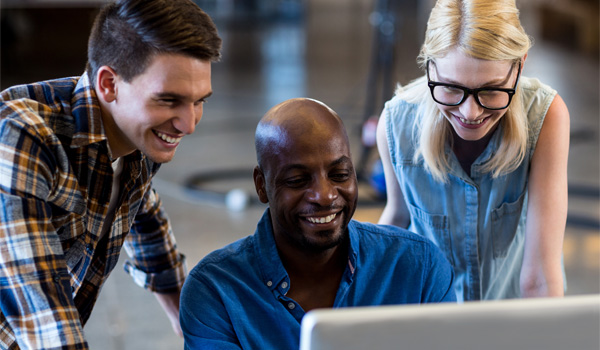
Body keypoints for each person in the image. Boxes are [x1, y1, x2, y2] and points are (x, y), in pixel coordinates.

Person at [0, 0, 221, 348]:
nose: (188, 124)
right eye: (169, 100)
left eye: (199, 101)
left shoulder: (136, 133)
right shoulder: (22, 138)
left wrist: (194, 326)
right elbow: (42, 314)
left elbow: (142, 209)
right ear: (109, 84)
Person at [179, 98, 456, 350]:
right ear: (261, 186)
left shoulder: (419, 267)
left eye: (339, 174)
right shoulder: (215, 292)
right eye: (298, 180)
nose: (324, 196)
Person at [376, 0, 570, 301]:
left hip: (511, 321)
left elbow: (539, 278)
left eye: (491, 90)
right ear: (430, 67)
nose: (470, 112)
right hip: (429, 320)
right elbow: (398, 216)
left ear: (520, 65)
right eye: (451, 88)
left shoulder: (545, 117)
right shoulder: (397, 123)